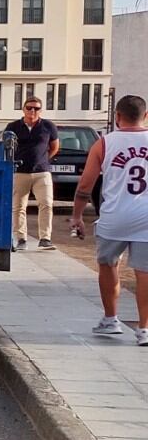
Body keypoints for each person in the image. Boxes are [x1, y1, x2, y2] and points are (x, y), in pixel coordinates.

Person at [70, 93, 148, 344]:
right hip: (146, 217)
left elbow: (86, 183)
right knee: (144, 272)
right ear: (145, 116)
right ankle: (144, 328)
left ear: (117, 117)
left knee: (108, 264)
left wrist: (77, 216)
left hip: (114, 215)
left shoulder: (104, 143)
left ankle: (111, 319)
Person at [6, 97, 60, 250]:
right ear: (23, 109)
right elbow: (6, 146)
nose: (32, 111)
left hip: (42, 172)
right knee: (18, 207)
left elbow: (54, 147)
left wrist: (43, 160)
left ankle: (45, 238)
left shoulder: (48, 126)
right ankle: (21, 239)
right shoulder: (13, 126)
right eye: (29, 108)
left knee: (46, 204)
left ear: (40, 110)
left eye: (36, 108)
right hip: (20, 172)